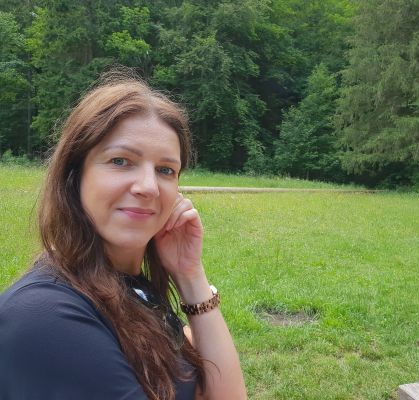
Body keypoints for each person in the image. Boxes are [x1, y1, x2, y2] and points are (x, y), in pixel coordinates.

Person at [0, 72, 247, 400]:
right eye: (120, 161)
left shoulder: (131, 288)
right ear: (74, 176)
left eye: (165, 170)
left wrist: (190, 274)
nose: (148, 187)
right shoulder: (46, 316)